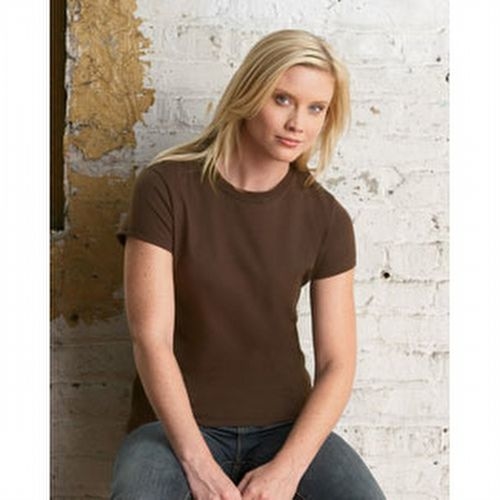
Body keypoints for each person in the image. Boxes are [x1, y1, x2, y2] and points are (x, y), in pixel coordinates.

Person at [111, 29, 386, 499]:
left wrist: (287, 470)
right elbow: (150, 339)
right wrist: (198, 465)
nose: (297, 123)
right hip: (172, 429)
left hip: (286, 429)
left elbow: (338, 364)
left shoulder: (327, 218)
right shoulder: (165, 188)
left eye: (316, 108)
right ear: (249, 92)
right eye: (282, 99)